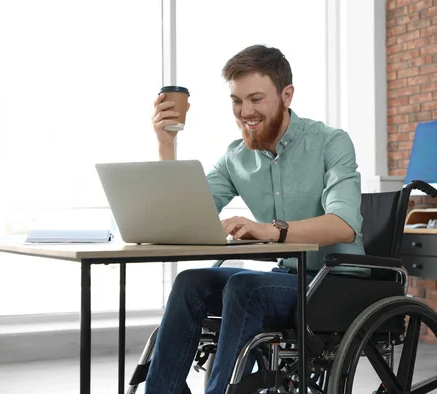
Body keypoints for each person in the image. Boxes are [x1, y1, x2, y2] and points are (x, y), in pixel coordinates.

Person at [146, 44, 365, 394]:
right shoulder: (236, 157)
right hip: (287, 278)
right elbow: (180, 214)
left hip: (337, 283)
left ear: (286, 94)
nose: (245, 111)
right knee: (191, 283)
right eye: (237, 101)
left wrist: (270, 231)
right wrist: (165, 144)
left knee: (246, 288)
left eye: (256, 99)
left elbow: (343, 224)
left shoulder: (330, 142)